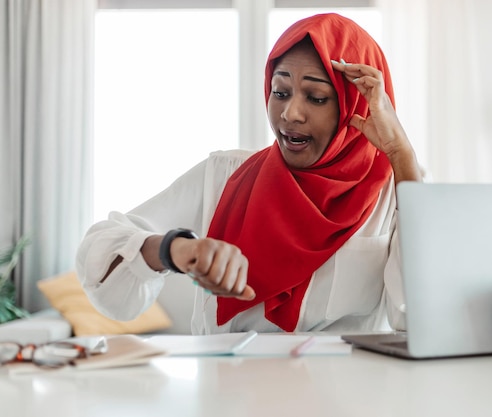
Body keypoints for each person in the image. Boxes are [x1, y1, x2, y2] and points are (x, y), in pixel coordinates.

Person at [76, 13, 423, 334]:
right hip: (229, 394)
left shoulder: (392, 193)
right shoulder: (224, 175)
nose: (290, 113)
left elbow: (416, 316)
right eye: (281, 92)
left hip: (352, 397)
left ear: (355, 106)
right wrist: (173, 249)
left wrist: (401, 154)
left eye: (316, 97)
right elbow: (101, 260)